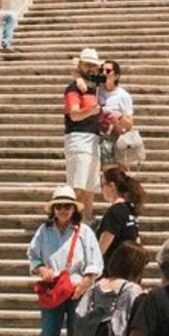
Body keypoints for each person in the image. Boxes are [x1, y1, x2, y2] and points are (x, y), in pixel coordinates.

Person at [28, 186, 103, 336]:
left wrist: (85, 284)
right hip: (54, 288)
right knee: (48, 335)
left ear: (73, 209)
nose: (63, 210)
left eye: (67, 206)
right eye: (59, 206)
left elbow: (95, 262)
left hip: (76, 288)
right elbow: (33, 256)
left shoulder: (84, 231)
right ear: (53, 209)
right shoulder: (44, 231)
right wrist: (42, 270)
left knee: (76, 335)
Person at [63, 49, 106, 222]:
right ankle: (70, 221)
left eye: (94, 66)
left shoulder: (93, 87)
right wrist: (91, 110)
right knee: (78, 185)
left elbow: (112, 78)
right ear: (81, 65)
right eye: (88, 64)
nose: (92, 69)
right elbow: (74, 114)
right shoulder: (74, 88)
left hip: (93, 140)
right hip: (78, 138)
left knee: (90, 187)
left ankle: (86, 221)